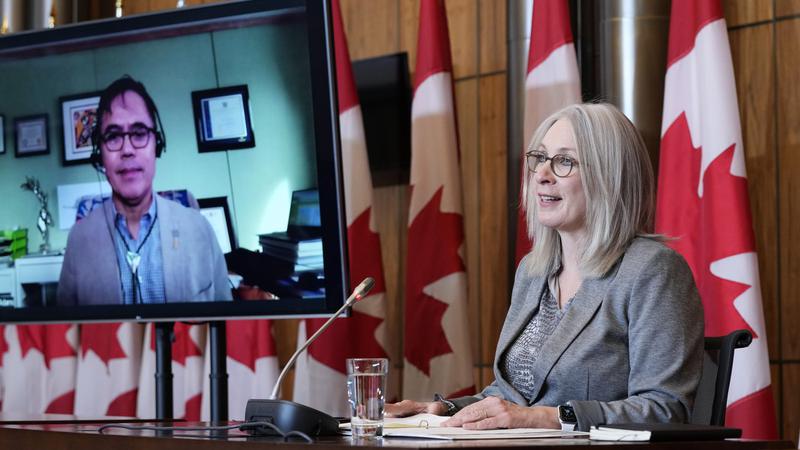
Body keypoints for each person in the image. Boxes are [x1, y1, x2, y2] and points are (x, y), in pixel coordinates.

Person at [386, 103, 704, 432]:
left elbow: (665, 408)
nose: (541, 174)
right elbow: (514, 396)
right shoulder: (533, 271)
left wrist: (546, 417)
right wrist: (444, 410)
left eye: (564, 161)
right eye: (540, 158)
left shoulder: (652, 270)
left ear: (609, 175)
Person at [58, 76, 231, 305]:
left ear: (156, 145)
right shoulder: (79, 240)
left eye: (139, 133)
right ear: (100, 154)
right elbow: (67, 326)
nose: (127, 150)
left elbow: (226, 320)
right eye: (113, 136)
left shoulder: (200, 229)